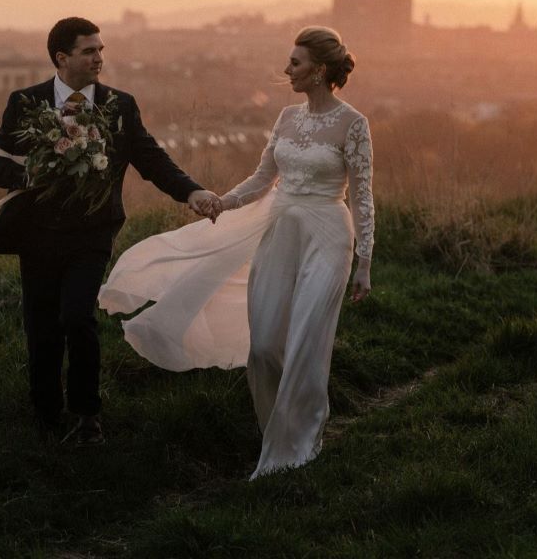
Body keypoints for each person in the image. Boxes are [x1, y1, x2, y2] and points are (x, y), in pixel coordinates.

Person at [98, 25, 373, 478]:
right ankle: (274, 431)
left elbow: (362, 196)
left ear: (320, 70)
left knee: (306, 343)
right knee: (264, 346)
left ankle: (299, 443)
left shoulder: (353, 123)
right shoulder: (285, 118)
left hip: (329, 236)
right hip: (280, 232)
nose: (287, 69)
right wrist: (221, 203)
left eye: (295, 63)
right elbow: (263, 178)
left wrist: (364, 261)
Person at [0, 16, 220, 445]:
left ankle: (88, 417)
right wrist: (34, 174)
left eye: (101, 50)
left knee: (77, 317)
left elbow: (152, 159)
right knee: (42, 325)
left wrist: (192, 192)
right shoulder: (25, 102)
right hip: (38, 234)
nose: (99, 59)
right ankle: (46, 414)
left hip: (92, 234)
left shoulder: (120, 106)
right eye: (89, 51)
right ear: (61, 57)